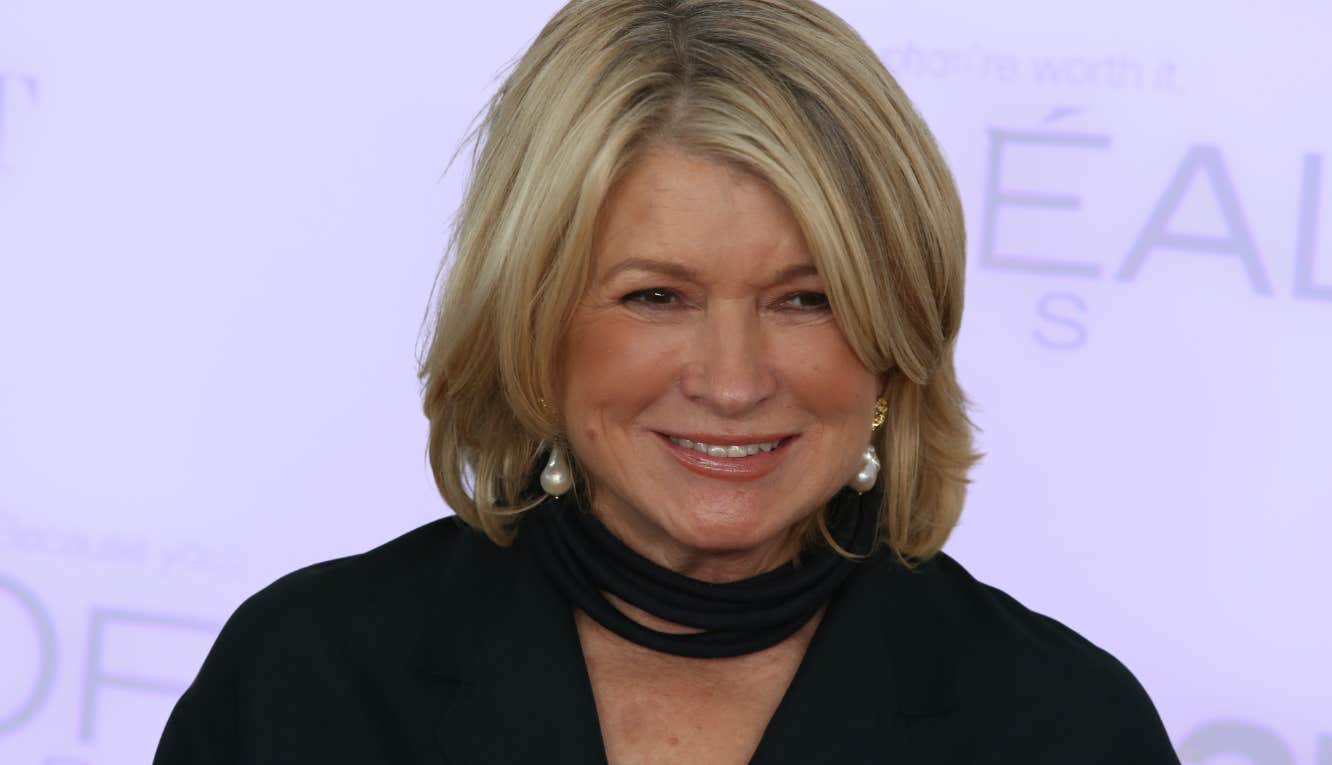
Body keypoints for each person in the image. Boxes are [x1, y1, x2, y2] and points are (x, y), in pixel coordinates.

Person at [154, 0, 1180, 762]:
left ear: (895, 335)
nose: (732, 384)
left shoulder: (1062, 727)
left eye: (805, 299)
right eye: (655, 297)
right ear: (533, 323)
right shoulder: (309, 684)